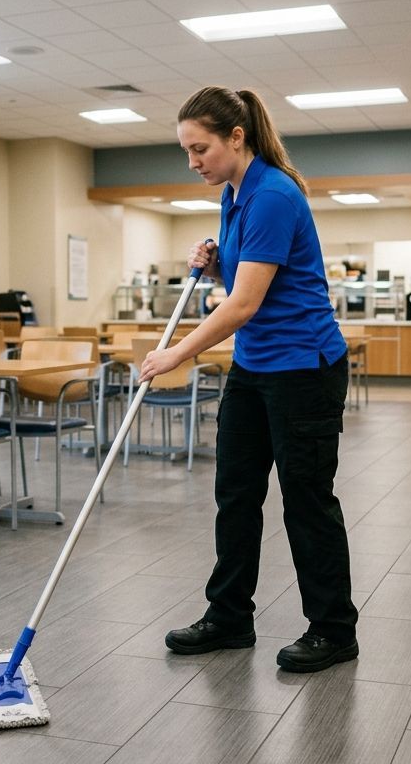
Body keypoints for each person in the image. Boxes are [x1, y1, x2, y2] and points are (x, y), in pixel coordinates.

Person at [141, 86, 358, 674]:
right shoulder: (234, 195)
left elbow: (243, 306)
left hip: (304, 369)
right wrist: (217, 263)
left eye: (200, 149)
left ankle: (334, 629)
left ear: (236, 138)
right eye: (186, 151)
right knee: (235, 495)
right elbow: (242, 279)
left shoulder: (273, 194)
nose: (193, 163)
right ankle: (229, 616)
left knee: (307, 501)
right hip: (256, 367)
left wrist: (176, 354)